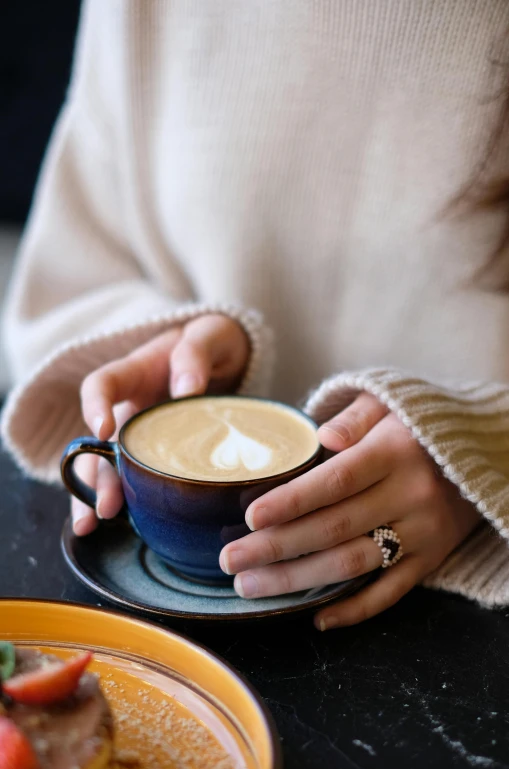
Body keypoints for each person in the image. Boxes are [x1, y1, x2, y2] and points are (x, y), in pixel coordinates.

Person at [3, 0, 509, 631]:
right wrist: (169, 346)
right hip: (153, 615)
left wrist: (477, 458)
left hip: (445, 612)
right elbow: (67, 278)